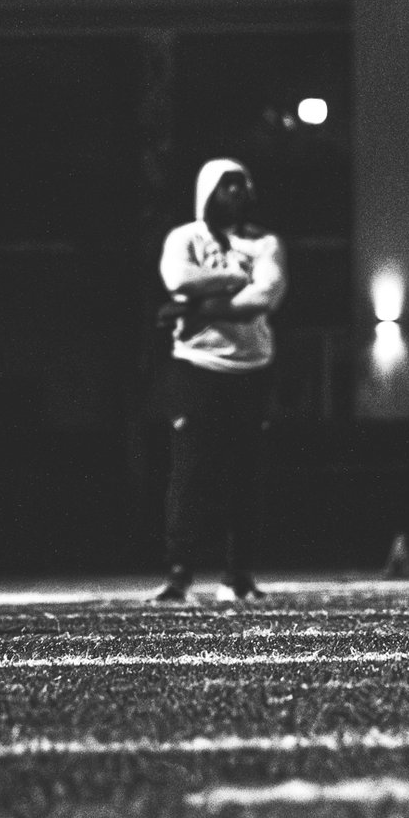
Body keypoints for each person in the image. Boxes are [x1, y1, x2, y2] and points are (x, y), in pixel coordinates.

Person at [153, 157, 287, 603]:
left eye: (241, 184)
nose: (236, 192)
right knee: (190, 472)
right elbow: (179, 277)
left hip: (252, 369)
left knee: (246, 475)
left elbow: (263, 297)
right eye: (227, 184)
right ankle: (179, 573)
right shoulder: (185, 238)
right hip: (196, 367)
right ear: (207, 190)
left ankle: (239, 575)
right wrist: (233, 277)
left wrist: (200, 308)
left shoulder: (266, 242)